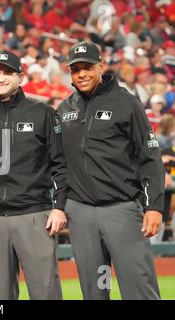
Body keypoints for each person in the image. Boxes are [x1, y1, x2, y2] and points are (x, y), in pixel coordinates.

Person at [57, 41, 165, 300]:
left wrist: (154, 206)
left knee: (139, 288)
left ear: (101, 67)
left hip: (122, 210)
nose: (81, 74)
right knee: (96, 290)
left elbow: (150, 156)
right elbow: (57, 163)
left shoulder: (126, 103)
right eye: (75, 69)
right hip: (81, 214)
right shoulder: (64, 109)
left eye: (87, 67)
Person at [0, 50, 68, 300]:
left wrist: (59, 207)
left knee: (46, 293)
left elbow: (60, 164)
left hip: (34, 215)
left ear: (20, 77)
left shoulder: (43, 113)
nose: (1, 78)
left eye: (8, 72)